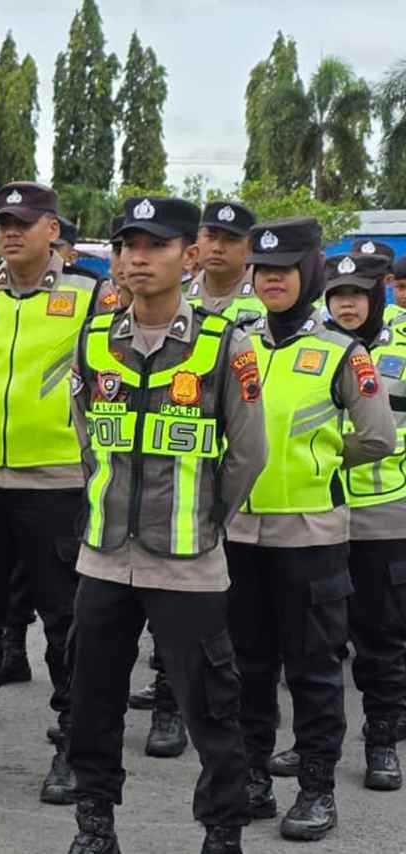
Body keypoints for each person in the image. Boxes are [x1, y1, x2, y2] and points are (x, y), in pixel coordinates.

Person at [64, 196, 265, 854]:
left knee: (211, 706)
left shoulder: (223, 344)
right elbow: (87, 438)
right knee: (93, 702)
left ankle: (222, 831)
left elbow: (247, 454)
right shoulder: (95, 339)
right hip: (103, 558)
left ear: (189, 255)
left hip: (188, 561)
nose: (136, 258)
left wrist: (206, 519)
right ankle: (95, 826)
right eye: (126, 245)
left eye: (154, 245)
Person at [0, 182, 116, 801]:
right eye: (2, 222)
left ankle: (72, 739)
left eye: (23, 222)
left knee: (67, 619)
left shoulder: (92, 294)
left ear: (52, 230)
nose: (10, 232)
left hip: (59, 481)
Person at [226, 217, 394, 842]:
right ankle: (253, 780)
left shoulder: (341, 352)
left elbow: (377, 436)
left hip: (311, 536)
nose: (271, 280)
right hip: (240, 533)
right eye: (263, 271)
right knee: (246, 664)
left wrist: (319, 458)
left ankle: (317, 790)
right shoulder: (234, 343)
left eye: (284, 271)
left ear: (311, 275)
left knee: (314, 670)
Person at [323, 252, 406, 792]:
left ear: (379, 293)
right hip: (319, 511)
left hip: (386, 514)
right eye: (337, 294)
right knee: (318, 643)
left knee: (382, 638)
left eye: (357, 293)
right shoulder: (312, 348)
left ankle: (381, 742)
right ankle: (317, 748)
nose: (347, 303)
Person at [187, 202, 264, 327]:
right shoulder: (178, 298)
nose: (217, 248)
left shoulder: (267, 295)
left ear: (250, 247)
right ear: (197, 241)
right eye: (211, 237)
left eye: (230, 239)